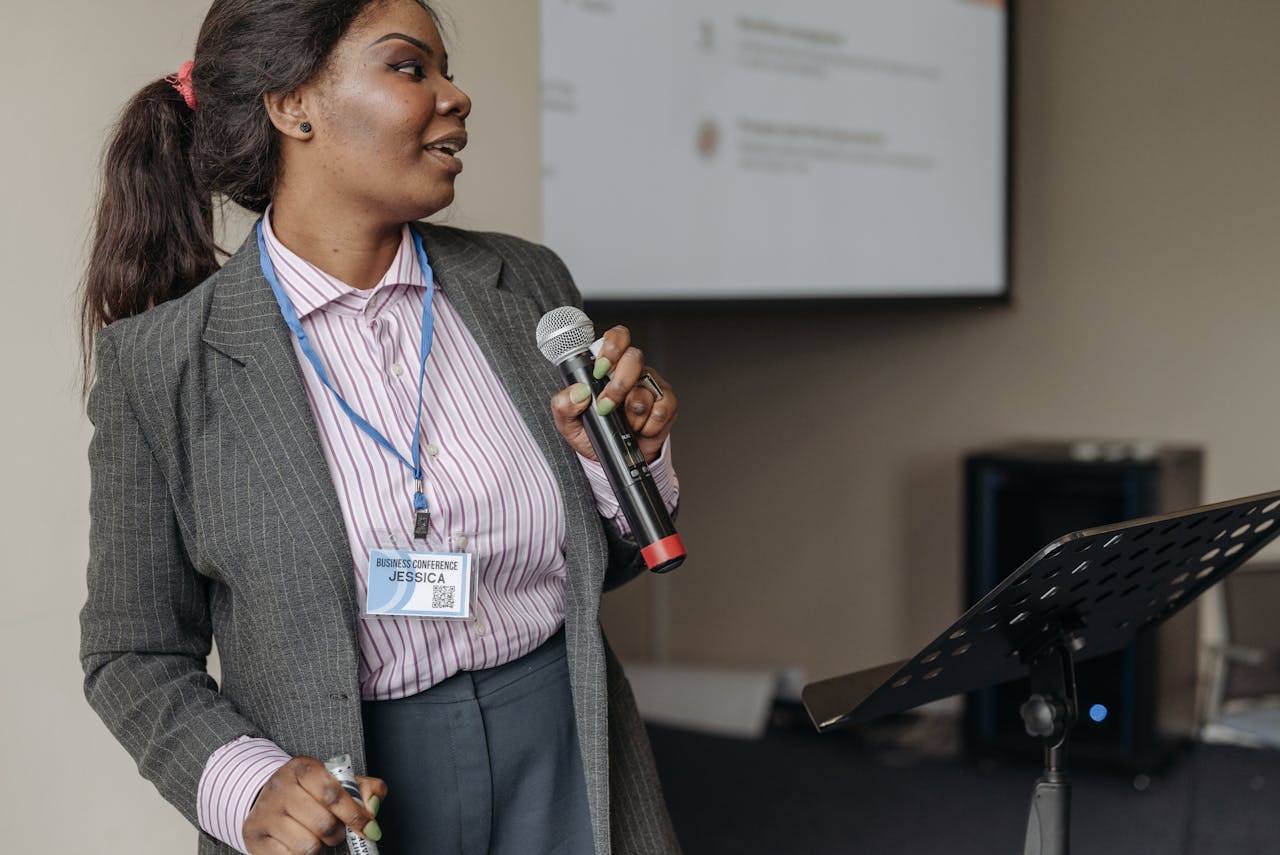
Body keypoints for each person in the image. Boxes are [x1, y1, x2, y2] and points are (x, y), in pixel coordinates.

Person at [78, 1, 683, 853]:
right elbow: (132, 654)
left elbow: (605, 564)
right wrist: (249, 786)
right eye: (411, 68)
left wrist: (622, 465)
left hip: (570, 746)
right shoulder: (161, 366)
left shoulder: (526, 282)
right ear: (293, 106)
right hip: (351, 793)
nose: (457, 95)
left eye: (447, 69)